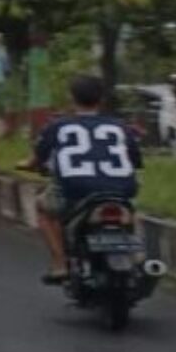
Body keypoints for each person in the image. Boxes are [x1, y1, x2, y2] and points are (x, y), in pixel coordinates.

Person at [27, 74, 143, 284]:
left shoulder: (57, 127)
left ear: (72, 99)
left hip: (76, 190)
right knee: (131, 210)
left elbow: (37, 158)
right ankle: (137, 255)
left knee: (43, 208)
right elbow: (135, 160)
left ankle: (60, 263)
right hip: (120, 188)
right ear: (102, 99)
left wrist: (29, 164)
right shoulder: (120, 127)